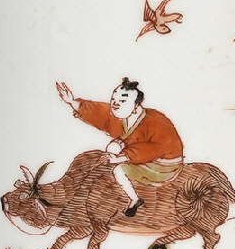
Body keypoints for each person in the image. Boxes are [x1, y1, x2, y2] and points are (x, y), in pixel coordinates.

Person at [55, 77, 184, 217]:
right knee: (112, 148)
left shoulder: (155, 120)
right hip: (135, 150)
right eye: (114, 100)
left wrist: (120, 158)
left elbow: (153, 149)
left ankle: (134, 200)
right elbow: (100, 113)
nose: (115, 104)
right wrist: (72, 102)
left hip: (162, 162)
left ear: (136, 105)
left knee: (119, 170)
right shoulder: (123, 116)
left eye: (122, 101)